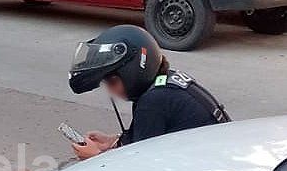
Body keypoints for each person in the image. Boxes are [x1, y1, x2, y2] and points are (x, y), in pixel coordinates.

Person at [68, 25, 229, 160]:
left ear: (132, 73)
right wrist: (114, 141)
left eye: (111, 82)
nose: (109, 90)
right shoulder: (164, 82)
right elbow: (147, 138)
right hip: (216, 156)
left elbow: (139, 167)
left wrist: (95, 157)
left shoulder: (153, 101)